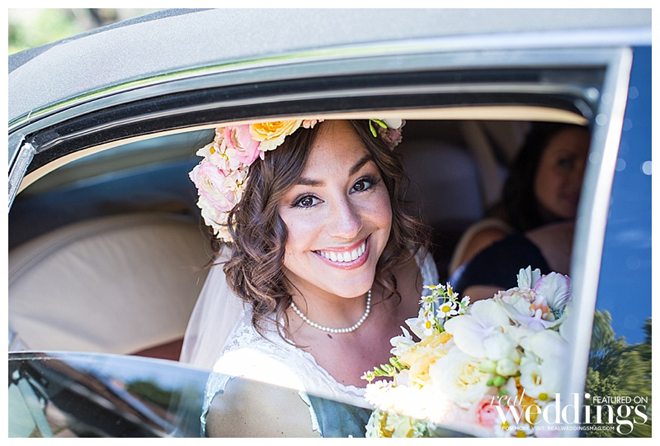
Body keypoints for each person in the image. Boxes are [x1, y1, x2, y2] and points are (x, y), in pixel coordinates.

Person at [180, 119, 437, 437]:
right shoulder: (261, 389)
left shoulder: (414, 268)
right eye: (307, 200)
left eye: (361, 184)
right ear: (257, 222)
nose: (348, 227)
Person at [449, 122, 590, 301]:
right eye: (564, 163)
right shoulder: (495, 243)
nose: (580, 180)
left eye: (591, 167)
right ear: (533, 164)